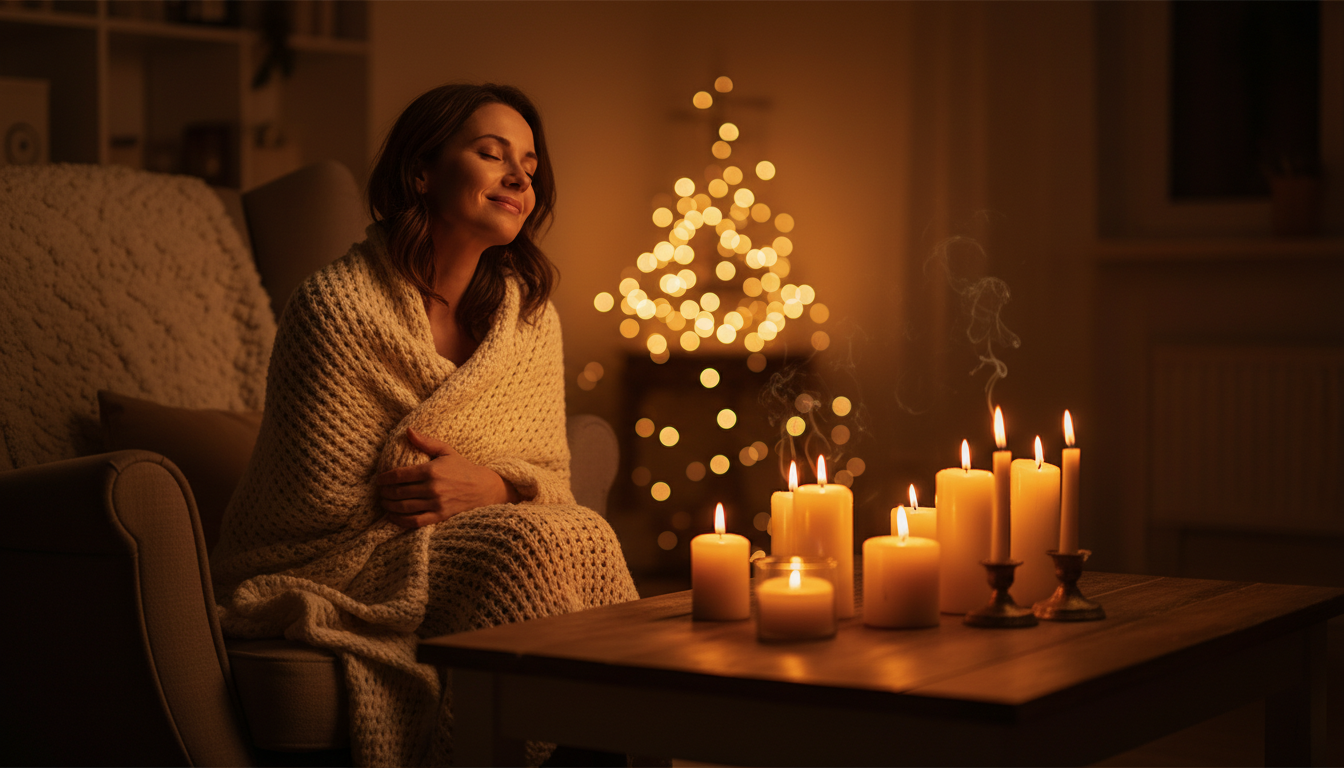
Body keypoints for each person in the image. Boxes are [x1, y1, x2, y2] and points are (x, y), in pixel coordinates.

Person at [210, 83, 639, 768]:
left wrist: (493, 488)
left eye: (529, 165)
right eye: (491, 153)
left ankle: (622, 743)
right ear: (422, 171)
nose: (518, 177)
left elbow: (550, 480)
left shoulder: (529, 317)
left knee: (584, 534)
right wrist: (437, 491)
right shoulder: (334, 307)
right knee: (521, 551)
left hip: (481, 531)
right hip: (340, 561)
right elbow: (316, 507)